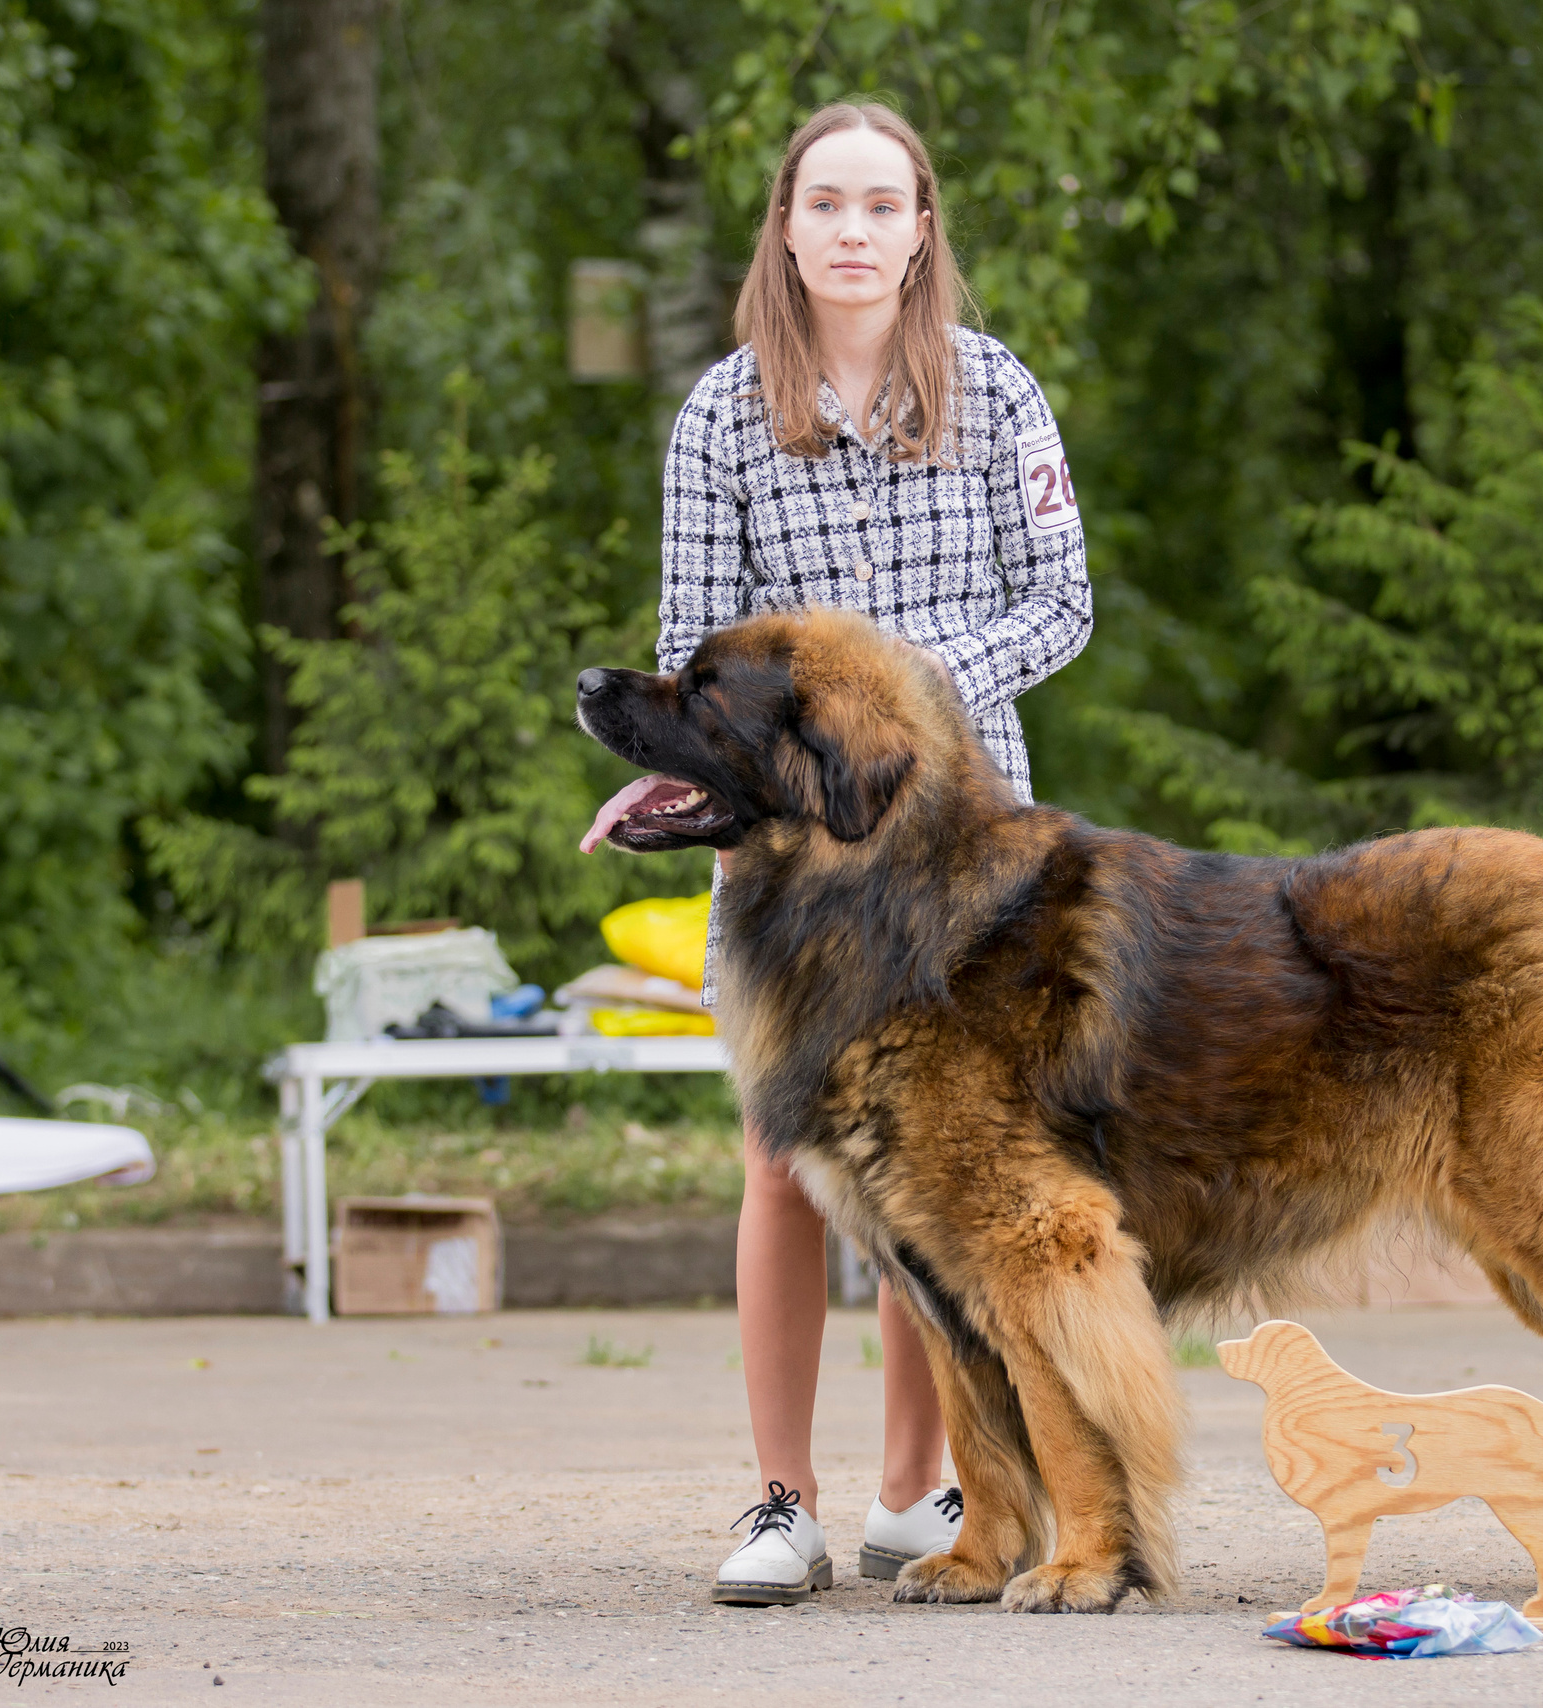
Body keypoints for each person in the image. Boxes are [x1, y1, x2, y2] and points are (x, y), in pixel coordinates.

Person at [654, 100, 1092, 1606]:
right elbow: (686, 654)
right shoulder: (722, 414)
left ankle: (924, 1489)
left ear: (921, 232)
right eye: (823, 203)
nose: (851, 229)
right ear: (784, 226)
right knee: (785, 1166)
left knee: (934, 1167)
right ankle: (786, 1501)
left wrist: (900, 686)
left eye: (879, 205)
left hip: (964, 849)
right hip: (780, 862)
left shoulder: (996, 393)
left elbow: (1063, 604)